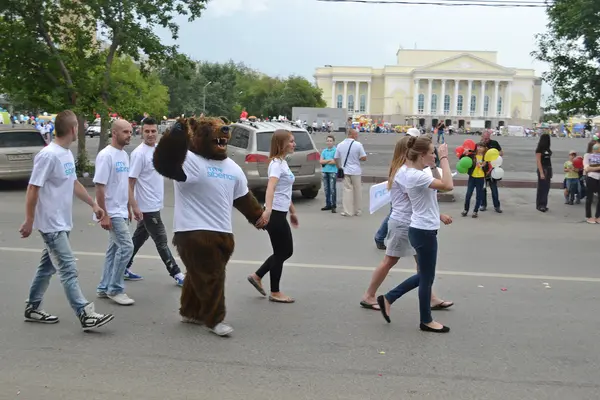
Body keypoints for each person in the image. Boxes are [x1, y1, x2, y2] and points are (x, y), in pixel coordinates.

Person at [153, 116, 265, 337]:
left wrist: (258, 217)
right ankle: (215, 319)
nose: (222, 132)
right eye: (213, 130)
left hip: (222, 231)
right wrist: (174, 138)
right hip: (194, 232)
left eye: (223, 129)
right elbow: (165, 163)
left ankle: (190, 311)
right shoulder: (191, 160)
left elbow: (242, 197)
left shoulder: (232, 167)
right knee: (212, 274)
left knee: (200, 273)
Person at [19, 110, 114, 331]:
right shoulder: (48, 155)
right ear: (73, 129)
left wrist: (93, 204)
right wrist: (29, 220)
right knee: (68, 267)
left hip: (62, 221)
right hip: (51, 224)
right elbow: (33, 188)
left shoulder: (65, 154)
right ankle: (85, 313)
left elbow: (73, 183)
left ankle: (32, 307)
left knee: (47, 267)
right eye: (78, 127)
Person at [361, 136, 453, 311]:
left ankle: (431, 298)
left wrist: (438, 214)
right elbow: (419, 199)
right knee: (390, 260)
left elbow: (419, 201)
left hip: (413, 222)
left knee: (422, 263)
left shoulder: (405, 171)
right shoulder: (405, 173)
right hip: (403, 223)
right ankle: (369, 295)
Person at [125, 117, 185, 286]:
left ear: (157, 132)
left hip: (154, 203)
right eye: (147, 131)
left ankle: (122, 266)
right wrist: (134, 206)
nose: (150, 134)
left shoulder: (158, 150)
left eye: (153, 131)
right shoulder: (138, 154)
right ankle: (177, 273)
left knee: (139, 238)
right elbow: (129, 183)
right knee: (161, 240)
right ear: (141, 132)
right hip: (146, 207)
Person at [248, 130, 298, 303]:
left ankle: (257, 276)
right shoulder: (276, 164)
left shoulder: (283, 163)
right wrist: (268, 210)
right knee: (283, 252)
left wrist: (292, 211)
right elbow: (271, 188)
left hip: (280, 212)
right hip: (275, 214)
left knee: (283, 252)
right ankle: (275, 292)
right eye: (291, 141)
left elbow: (284, 191)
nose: (294, 144)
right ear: (281, 143)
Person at [94, 120, 135, 305]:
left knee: (114, 250)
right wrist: (104, 214)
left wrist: (129, 206)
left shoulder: (124, 155)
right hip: (111, 211)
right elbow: (99, 187)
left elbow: (124, 183)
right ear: (114, 133)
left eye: (130, 131)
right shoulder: (106, 156)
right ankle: (115, 289)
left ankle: (104, 287)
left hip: (121, 210)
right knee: (127, 247)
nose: (129, 135)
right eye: (125, 132)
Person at [334, 128, 367, 217]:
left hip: (345, 170)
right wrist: (357, 158)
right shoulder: (358, 145)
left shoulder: (340, 145)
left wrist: (339, 167)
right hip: (356, 171)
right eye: (356, 134)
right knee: (357, 191)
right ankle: (357, 210)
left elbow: (336, 158)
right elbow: (364, 157)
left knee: (347, 190)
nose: (357, 136)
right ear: (352, 135)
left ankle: (347, 211)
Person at [461, 142, 489, 218]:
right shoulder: (472, 155)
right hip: (472, 177)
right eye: (478, 146)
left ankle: (475, 211)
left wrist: (484, 165)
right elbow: (462, 159)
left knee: (479, 196)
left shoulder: (486, 158)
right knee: (468, 194)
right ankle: (466, 210)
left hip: (480, 178)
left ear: (484, 149)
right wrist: (464, 154)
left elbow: (487, 169)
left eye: (481, 147)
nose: (479, 148)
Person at [480, 131, 503, 213]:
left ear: (489, 136)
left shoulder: (494, 143)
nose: (486, 140)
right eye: (484, 138)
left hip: (493, 170)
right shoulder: (479, 145)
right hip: (482, 169)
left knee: (494, 189)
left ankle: (497, 206)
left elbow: (501, 153)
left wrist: (495, 154)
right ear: (482, 137)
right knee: (483, 189)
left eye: (487, 138)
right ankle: (483, 205)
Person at [320, 135, 338, 212]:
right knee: (326, 189)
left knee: (332, 189)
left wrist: (325, 161)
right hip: (325, 171)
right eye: (328, 141)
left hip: (333, 171)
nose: (329, 142)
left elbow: (335, 161)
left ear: (333, 142)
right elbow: (321, 161)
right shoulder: (324, 151)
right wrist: (329, 160)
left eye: (330, 141)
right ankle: (328, 204)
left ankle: (333, 205)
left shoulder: (336, 150)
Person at [583, 141, 600, 223]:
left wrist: (593, 168)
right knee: (589, 198)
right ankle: (589, 216)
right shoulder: (587, 155)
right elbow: (586, 168)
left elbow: (590, 168)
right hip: (591, 177)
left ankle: (598, 216)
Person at [535, 134, 552, 212]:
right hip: (543, 168)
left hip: (548, 168)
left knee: (546, 188)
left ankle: (544, 204)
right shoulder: (539, 150)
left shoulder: (548, 149)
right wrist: (541, 172)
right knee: (542, 187)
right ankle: (540, 204)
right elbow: (538, 161)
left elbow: (549, 161)